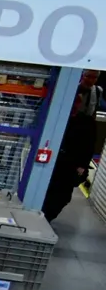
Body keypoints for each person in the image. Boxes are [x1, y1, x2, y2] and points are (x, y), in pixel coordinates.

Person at [42, 71, 100, 222]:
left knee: (62, 195)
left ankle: (46, 217)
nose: (91, 80)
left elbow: (89, 144)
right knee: (50, 189)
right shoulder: (60, 118)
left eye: (94, 77)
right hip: (58, 156)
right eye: (88, 76)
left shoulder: (87, 123)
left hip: (71, 160)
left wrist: (82, 165)